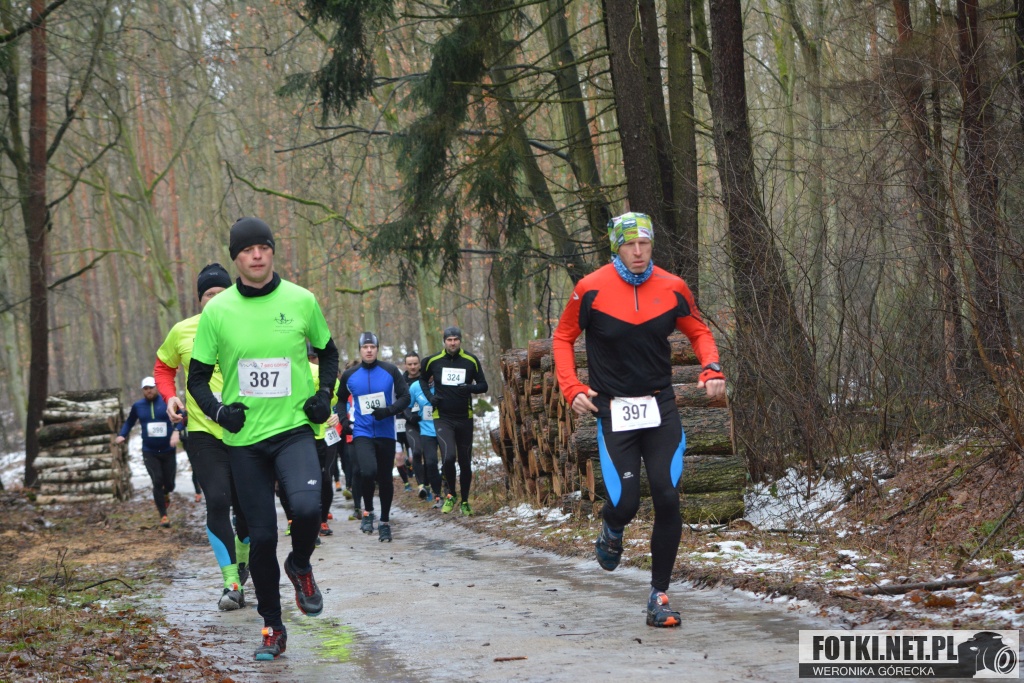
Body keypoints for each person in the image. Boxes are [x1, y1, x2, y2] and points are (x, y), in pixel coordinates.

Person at [552, 211, 726, 628]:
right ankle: (612, 528)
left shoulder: (672, 286)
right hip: (614, 409)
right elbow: (563, 338)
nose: (638, 251)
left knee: (667, 496)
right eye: (630, 244)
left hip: (659, 406)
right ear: (617, 247)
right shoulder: (590, 289)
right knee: (626, 502)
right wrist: (572, 387)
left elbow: (699, 331)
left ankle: (658, 595)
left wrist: (711, 367)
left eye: (644, 243)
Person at [187, 217, 339, 661]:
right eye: (246, 249)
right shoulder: (218, 311)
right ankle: (273, 626)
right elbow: (196, 380)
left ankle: (300, 565)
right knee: (262, 537)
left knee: (308, 509)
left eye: (263, 247)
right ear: (236, 258)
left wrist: (323, 396)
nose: (256, 255)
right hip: (245, 442)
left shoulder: (301, 300)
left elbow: (328, 352)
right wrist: (219, 412)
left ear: (272, 251)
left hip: (293, 431)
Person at [154, 262, 251, 612]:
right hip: (203, 432)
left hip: (248, 430)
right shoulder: (183, 331)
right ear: (200, 299)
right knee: (218, 501)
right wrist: (170, 397)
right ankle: (231, 581)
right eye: (209, 294)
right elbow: (163, 367)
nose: (215, 299)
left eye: (222, 293)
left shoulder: (249, 323)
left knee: (247, 507)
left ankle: (242, 560)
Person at [338, 332, 410, 542]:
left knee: (385, 477)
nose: (369, 350)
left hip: (386, 431)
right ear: (360, 350)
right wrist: (343, 420)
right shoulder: (350, 374)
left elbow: (406, 397)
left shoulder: (390, 370)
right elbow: (340, 400)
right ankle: (368, 511)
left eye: (372, 347)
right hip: (362, 431)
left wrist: (388, 411)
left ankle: (385, 522)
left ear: (377, 349)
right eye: (365, 347)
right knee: (367, 471)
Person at [420, 326, 488, 515]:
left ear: (460, 341)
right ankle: (451, 494)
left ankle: (465, 500)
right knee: (448, 457)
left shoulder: (470, 360)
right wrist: (430, 397)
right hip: (442, 417)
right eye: (449, 340)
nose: (452, 343)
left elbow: (483, 385)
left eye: (455, 339)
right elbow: (422, 380)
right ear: (444, 341)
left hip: (464, 417)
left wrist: (469, 388)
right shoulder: (433, 360)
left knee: (465, 462)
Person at [116, 377, 182, 528]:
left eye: (151, 387)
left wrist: (177, 431)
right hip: (150, 451)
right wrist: (122, 434)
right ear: (142, 390)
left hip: (168, 450)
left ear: (156, 387)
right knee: (157, 481)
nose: (149, 391)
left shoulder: (167, 403)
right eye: (146, 388)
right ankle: (163, 516)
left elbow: (182, 417)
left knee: (170, 484)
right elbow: (130, 422)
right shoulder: (138, 406)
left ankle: (166, 492)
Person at [407, 369, 442, 506]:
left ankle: (448, 487)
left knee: (448, 460)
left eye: (432, 373)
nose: (430, 376)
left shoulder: (442, 384)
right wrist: (411, 417)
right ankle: (438, 495)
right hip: (426, 430)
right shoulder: (415, 386)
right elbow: (407, 406)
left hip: (445, 428)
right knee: (431, 462)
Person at [402, 352, 429, 500]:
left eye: (415, 363)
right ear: (405, 365)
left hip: (428, 421)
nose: (413, 367)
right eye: (409, 364)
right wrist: (409, 416)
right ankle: (421, 486)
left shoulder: (427, 378)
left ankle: (429, 484)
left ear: (419, 364)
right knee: (416, 452)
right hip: (411, 422)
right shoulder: (401, 381)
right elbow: (399, 402)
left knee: (429, 455)